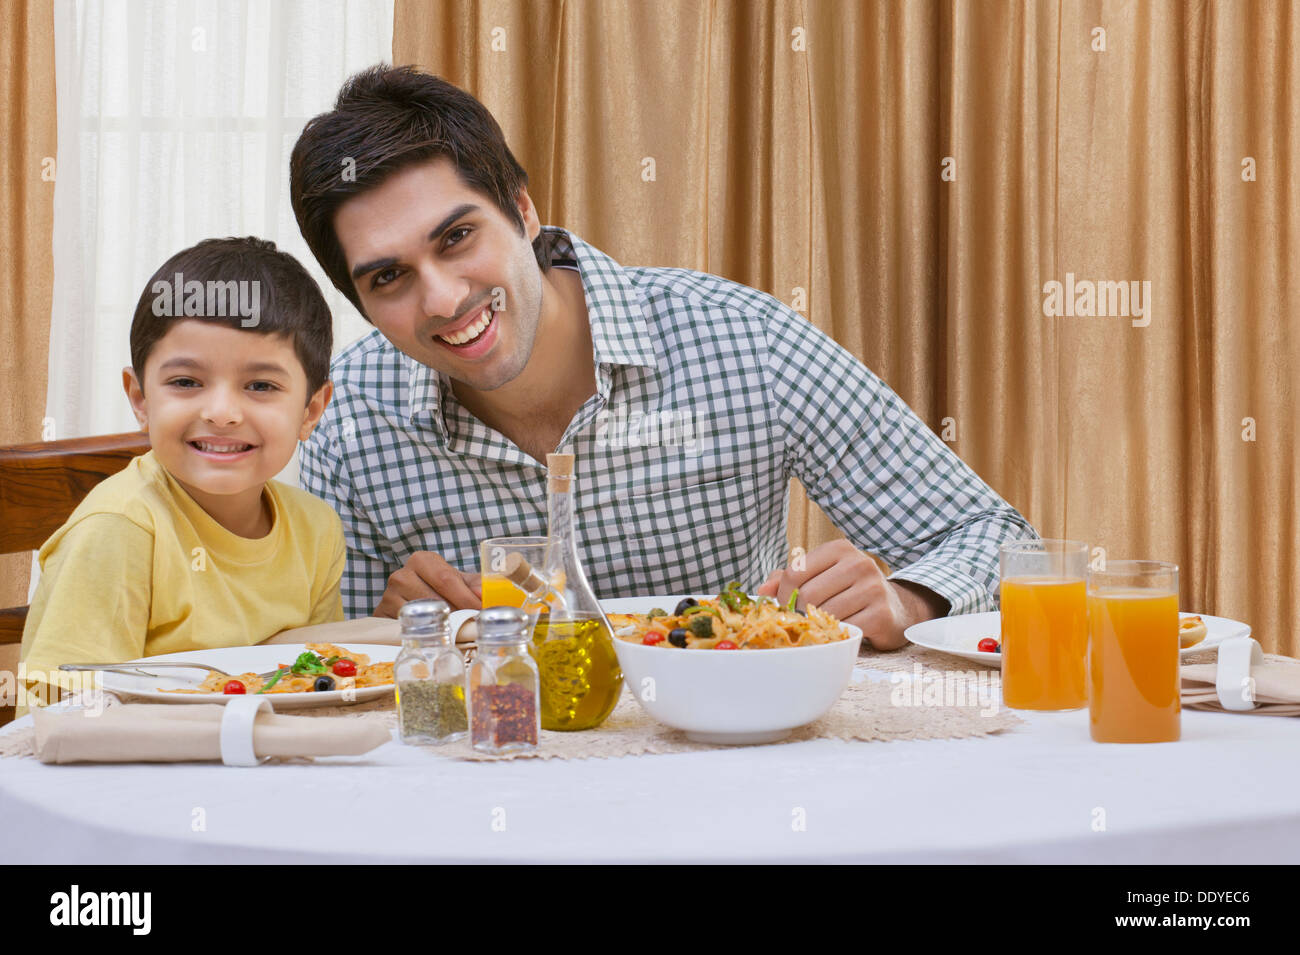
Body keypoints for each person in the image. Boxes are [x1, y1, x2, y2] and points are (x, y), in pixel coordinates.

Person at [291, 65, 1037, 650]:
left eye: (457, 236)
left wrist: (907, 597)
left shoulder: (744, 339)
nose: (443, 298)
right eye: (388, 277)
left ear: (522, 210)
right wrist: (393, 629)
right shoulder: (346, 417)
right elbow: (331, 662)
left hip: (737, 775)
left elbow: (997, 538)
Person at [19, 237, 344, 706]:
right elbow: (64, 708)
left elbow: (317, 679)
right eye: (186, 382)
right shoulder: (120, 529)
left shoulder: (316, 529)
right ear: (140, 399)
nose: (222, 412)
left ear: (311, 410)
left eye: (260, 385)